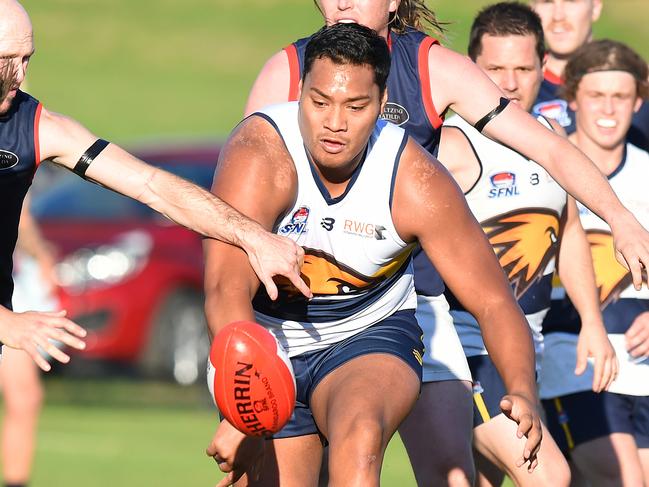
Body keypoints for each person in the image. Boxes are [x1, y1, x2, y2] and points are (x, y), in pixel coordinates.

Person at [245, 1, 649, 484]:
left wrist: (619, 216)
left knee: (450, 476)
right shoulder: (287, 70)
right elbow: (244, 209)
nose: (343, 3)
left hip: (414, 306)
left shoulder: (433, 67)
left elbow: (548, 148)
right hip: (305, 311)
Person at [204, 23, 542, 487]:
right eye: (319, 102)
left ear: (383, 106)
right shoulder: (260, 153)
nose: (334, 123)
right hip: (264, 339)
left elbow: (493, 301)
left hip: (368, 334)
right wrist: (242, 402)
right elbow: (225, 286)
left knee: (359, 434)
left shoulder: (415, 180)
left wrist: (522, 388)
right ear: (299, 92)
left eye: (355, 106)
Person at [0, 0, 311, 370]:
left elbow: (152, 186)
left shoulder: (37, 127)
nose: (21, 76)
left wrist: (253, 237)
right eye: (8, 59)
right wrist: (7, 323)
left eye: (27, 59)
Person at [434, 4, 617, 486]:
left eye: (523, 68)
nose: (510, 84)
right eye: (495, 69)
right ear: (471, 71)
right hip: (468, 354)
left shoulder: (552, 139)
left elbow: (570, 232)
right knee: (550, 476)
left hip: (525, 357)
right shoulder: (450, 145)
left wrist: (592, 323)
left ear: (544, 69)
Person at [540, 39, 649, 486]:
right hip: (571, 359)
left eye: (620, 97)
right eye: (596, 95)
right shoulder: (544, 169)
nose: (609, 109)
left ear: (638, 102)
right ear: (571, 97)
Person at [530, 0, 649, 151]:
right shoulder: (513, 88)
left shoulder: (639, 85)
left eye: (571, 1)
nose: (558, 16)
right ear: (532, 10)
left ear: (596, 8)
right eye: (547, 2)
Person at [0, 198, 57, 487]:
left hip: (14, 290)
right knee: (24, 396)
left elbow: (20, 218)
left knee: (25, 397)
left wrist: (41, 255)